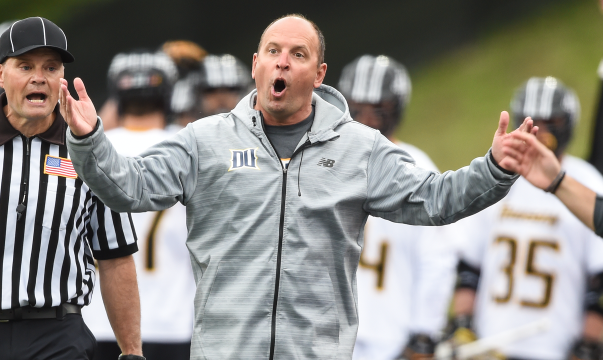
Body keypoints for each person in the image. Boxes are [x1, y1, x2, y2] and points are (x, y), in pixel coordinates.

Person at [61, 14, 535, 359]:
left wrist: (494, 167)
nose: (282, 64)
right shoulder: (205, 141)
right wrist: (87, 139)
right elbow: (129, 187)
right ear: (255, 65)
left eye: (298, 55)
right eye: (273, 52)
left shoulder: (360, 148)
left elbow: (436, 199)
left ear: (320, 73)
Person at [0, 17, 144, 360]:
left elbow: (115, 256)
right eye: (25, 65)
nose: (39, 77)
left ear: (62, 76)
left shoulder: (90, 148)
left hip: (56, 334)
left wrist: (132, 352)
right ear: (0, 74)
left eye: (51, 66)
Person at [447, 77, 603, 359]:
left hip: (555, 347)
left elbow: (599, 283)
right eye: (534, 120)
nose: (541, 131)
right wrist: (462, 325)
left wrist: (589, 343)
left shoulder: (588, 183)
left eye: (551, 120)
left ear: (567, 124)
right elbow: (470, 268)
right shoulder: (496, 175)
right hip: (491, 346)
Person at [338, 55, 455, 360]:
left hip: (390, 339)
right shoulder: (322, 158)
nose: (366, 119)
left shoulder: (416, 170)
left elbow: (436, 260)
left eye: (378, 110)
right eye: (358, 108)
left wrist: (423, 335)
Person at [82, 50, 195, 360]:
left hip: (98, 321)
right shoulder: (188, 147)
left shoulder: (90, 150)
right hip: (173, 321)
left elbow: (88, 131)